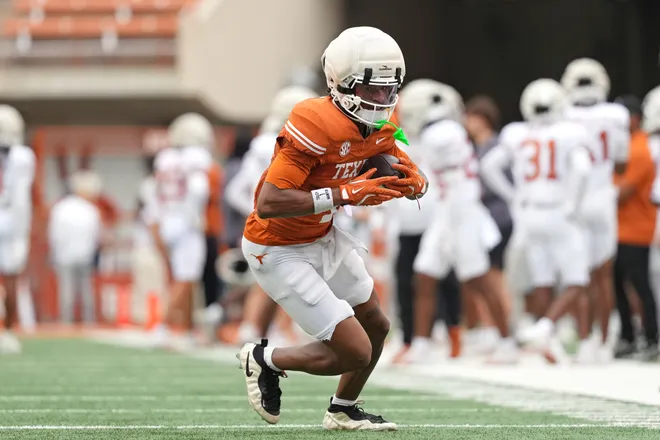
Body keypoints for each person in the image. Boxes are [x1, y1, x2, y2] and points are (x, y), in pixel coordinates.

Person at [236, 27, 427, 431]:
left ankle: (343, 409)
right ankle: (263, 358)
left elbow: (396, 151)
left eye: (388, 90)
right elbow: (268, 204)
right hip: (278, 247)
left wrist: (415, 182)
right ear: (341, 84)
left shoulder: (377, 123)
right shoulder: (314, 120)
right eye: (372, 90)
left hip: (321, 236)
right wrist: (342, 194)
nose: (382, 100)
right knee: (356, 350)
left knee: (377, 326)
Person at [397, 79, 514, 364]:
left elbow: (417, 165)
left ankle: (506, 341)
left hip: (462, 213)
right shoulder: (440, 131)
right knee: (425, 274)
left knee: (478, 278)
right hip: (447, 212)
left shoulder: (442, 132)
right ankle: (421, 344)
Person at [482, 79, 593, 361]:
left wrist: (513, 196)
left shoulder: (518, 134)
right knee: (577, 280)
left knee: (543, 280)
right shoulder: (570, 132)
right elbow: (582, 169)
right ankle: (545, 327)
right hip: (558, 210)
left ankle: (547, 342)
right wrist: (573, 203)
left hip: (530, 213)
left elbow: (489, 165)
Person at [226, 86, 319, 345]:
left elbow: (235, 190)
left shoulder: (261, 142)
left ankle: (251, 329)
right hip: (286, 220)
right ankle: (281, 329)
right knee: (292, 277)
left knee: (268, 278)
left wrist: (257, 212)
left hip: (263, 221)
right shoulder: (287, 142)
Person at [561, 58, 630, 362]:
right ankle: (604, 341)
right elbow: (621, 161)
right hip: (602, 197)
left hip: (575, 199)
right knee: (604, 275)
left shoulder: (565, 115)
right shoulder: (615, 115)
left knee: (580, 274)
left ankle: (586, 338)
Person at [148, 113, 215, 349]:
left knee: (184, 278)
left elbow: (155, 191)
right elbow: (198, 188)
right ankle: (162, 326)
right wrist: (198, 215)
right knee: (186, 279)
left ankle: (186, 331)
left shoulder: (165, 158)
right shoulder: (197, 157)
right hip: (186, 222)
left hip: (167, 219)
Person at [611, 93, 659, 361]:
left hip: (636, 228)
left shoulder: (640, 149)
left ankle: (652, 336)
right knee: (618, 283)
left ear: (636, 118)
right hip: (618, 227)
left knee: (640, 284)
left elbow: (623, 191)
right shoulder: (624, 145)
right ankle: (628, 336)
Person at [465, 95, 513, 353]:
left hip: (497, 216)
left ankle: (502, 328)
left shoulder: (495, 147)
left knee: (493, 276)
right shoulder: (476, 147)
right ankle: (492, 328)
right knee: (483, 276)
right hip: (484, 217)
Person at [0, 105, 35, 355]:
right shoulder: (22, 156)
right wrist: (23, 228)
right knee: (11, 277)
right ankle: (8, 330)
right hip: (11, 218)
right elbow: (21, 197)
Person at [48, 171, 102, 325]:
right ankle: (89, 321)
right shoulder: (90, 210)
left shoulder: (60, 208)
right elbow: (96, 235)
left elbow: (54, 235)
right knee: (86, 290)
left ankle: (67, 322)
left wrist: (55, 254)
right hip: (85, 254)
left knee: (67, 290)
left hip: (64, 255)